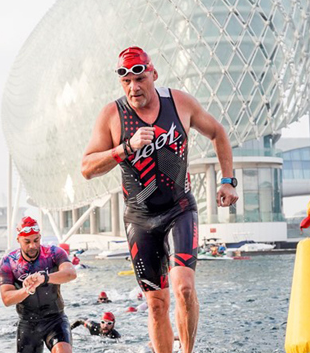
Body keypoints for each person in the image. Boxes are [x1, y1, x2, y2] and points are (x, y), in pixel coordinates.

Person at [81, 46, 238, 353]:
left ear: (153, 74)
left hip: (179, 208)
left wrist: (227, 181)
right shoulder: (112, 115)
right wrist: (125, 147)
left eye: (139, 78)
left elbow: (218, 133)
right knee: (156, 303)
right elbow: (87, 168)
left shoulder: (178, 103)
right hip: (141, 218)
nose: (133, 87)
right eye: (126, 81)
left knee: (184, 288)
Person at [0, 216, 77, 353]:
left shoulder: (54, 253)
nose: (33, 246)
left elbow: (70, 273)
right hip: (28, 324)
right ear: (18, 240)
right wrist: (27, 290)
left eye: (36, 240)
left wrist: (44, 278)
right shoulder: (8, 262)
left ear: (40, 237)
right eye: (27, 242)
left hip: (55, 319)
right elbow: (6, 298)